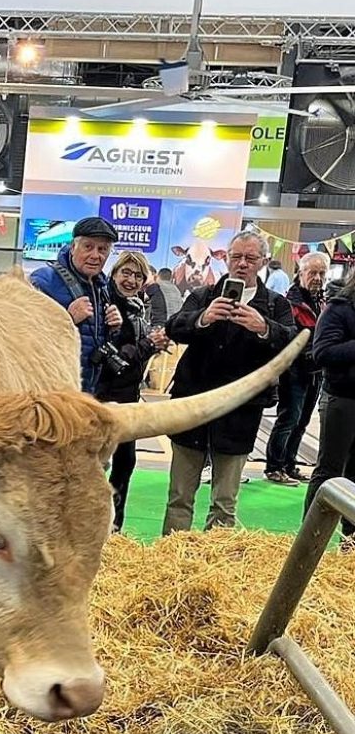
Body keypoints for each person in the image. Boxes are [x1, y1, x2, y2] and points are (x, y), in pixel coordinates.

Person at [160, 232, 297, 535]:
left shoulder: (275, 305)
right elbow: (174, 327)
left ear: (263, 262)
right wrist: (203, 318)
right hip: (193, 404)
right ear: (227, 258)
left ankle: (216, 565)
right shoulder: (204, 295)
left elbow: (295, 344)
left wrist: (264, 328)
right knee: (179, 496)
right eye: (236, 257)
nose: (242, 264)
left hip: (241, 409)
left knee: (225, 500)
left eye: (250, 258)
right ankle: (169, 557)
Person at [97, 250, 169, 531]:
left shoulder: (137, 306)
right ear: (114, 274)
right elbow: (115, 359)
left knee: (125, 463)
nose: (131, 279)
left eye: (138, 275)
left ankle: (115, 525)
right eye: (125, 272)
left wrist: (151, 344)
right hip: (103, 399)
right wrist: (150, 345)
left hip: (129, 399)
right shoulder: (106, 306)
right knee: (96, 465)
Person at [28, 216, 123, 395]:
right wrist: (68, 319)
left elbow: (92, 338)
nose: (96, 255)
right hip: (48, 389)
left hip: (86, 388)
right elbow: (24, 335)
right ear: (73, 247)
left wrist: (114, 328)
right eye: (88, 247)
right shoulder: (43, 279)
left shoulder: (102, 286)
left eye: (102, 249)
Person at [264, 251, 328, 486]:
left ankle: (290, 464)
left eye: (322, 273)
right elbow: (288, 338)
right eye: (312, 273)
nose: (318, 278)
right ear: (300, 274)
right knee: (288, 418)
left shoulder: (323, 301)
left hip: (316, 372)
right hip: (294, 371)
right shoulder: (289, 303)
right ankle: (274, 466)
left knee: (302, 421)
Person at [305, 269, 355, 543]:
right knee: (329, 470)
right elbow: (322, 352)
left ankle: (351, 541)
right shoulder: (339, 308)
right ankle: (310, 539)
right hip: (342, 399)